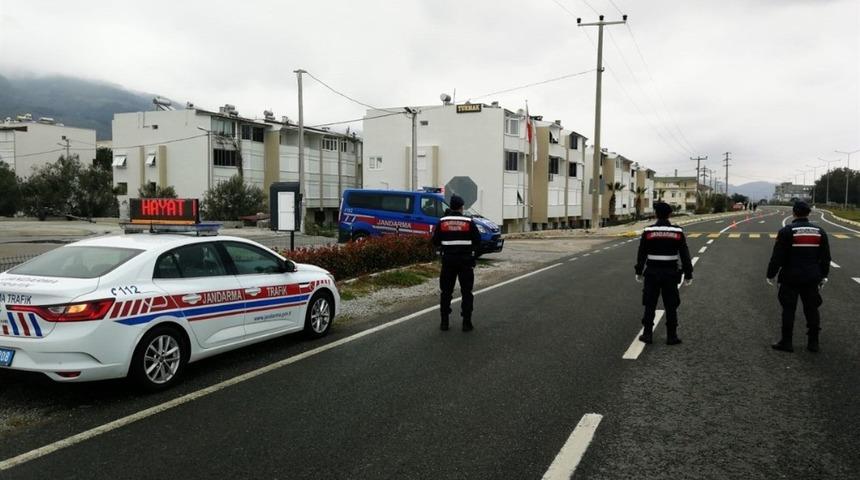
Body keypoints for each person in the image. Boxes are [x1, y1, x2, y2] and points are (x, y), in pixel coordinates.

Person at [766, 201, 831, 352]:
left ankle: (786, 342)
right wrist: (824, 275)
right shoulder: (820, 232)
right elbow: (825, 258)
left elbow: (777, 257)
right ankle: (813, 343)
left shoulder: (786, 231)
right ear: (808, 213)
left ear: (794, 213)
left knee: (788, 309)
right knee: (812, 309)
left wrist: (771, 274)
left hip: (790, 277)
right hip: (812, 277)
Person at [634, 202, 694, 345]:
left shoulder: (648, 231)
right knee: (671, 304)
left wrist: (639, 271)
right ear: (670, 214)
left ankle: (647, 334)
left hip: (652, 272)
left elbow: (641, 253)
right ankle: (672, 336)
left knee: (650, 303)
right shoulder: (677, 232)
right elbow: (684, 254)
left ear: (656, 214)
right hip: (671, 273)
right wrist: (688, 273)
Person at [431, 195, 481, 331]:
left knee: (446, 292)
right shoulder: (468, 222)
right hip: (465, 262)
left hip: (448, 261)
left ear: (451, 207)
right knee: (466, 292)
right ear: (461, 207)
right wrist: (472, 254)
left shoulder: (442, 222)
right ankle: (466, 322)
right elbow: (477, 240)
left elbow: (435, 241)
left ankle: (444, 322)